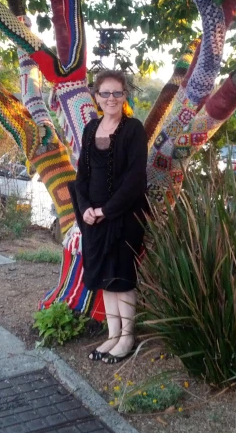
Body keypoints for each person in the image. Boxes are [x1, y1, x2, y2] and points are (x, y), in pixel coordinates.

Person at [70, 70, 149, 364]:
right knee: (105, 277)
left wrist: (106, 210)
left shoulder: (133, 130)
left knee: (121, 277)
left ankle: (127, 337)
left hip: (123, 217)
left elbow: (135, 180)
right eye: (106, 93)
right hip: (94, 218)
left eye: (117, 93)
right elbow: (82, 176)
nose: (111, 98)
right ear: (97, 97)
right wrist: (88, 208)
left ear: (124, 96)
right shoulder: (91, 129)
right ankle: (113, 334)